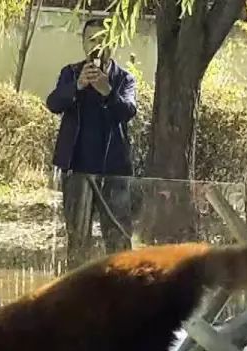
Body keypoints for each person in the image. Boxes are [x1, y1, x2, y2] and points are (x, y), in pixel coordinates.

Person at [45, 16, 139, 267]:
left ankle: (124, 294)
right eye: (91, 40)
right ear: (83, 43)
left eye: (102, 40)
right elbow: (53, 103)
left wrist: (107, 90)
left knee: (118, 239)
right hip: (77, 171)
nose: (96, 46)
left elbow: (128, 111)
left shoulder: (124, 79)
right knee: (77, 241)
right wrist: (77, 86)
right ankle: (76, 296)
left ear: (112, 43)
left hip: (113, 172)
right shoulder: (71, 73)